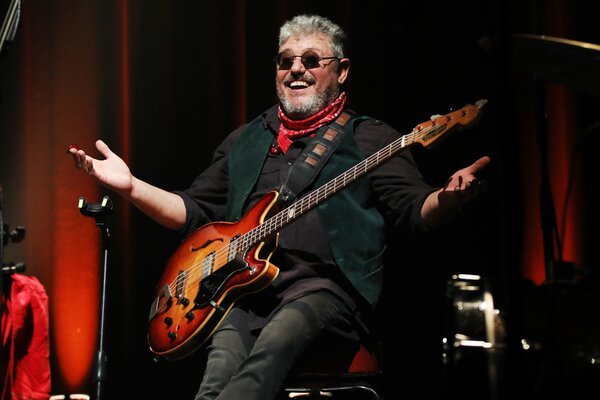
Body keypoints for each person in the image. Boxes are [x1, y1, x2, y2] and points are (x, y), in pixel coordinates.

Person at [69, 14, 490, 400]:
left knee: (268, 355)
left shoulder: (370, 138)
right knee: (216, 376)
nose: (296, 69)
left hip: (325, 290)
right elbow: (192, 212)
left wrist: (446, 199)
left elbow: (415, 211)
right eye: (286, 61)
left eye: (311, 60)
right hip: (246, 292)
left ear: (342, 71)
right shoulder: (246, 139)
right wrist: (131, 186)